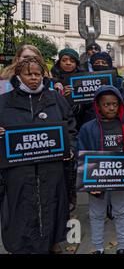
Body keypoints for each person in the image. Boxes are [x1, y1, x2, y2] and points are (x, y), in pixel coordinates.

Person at [0, 56, 77, 254]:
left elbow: (70, 127)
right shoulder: (4, 102)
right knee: (22, 208)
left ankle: (52, 241)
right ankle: (23, 245)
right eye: (29, 74)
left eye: (38, 74)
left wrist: (70, 148)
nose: (34, 78)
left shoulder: (55, 99)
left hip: (51, 168)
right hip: (18, 169)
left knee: (52, 205)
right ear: (18, 75)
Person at [78, 86, 124, 254]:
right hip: (97, 179)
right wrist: (88, 182)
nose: (111, 108)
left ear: (120, 104)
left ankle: (122, 246)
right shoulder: (87, 128)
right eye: (107, 105)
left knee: (121, 211)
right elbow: (82, 156)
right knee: (96, 213)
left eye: (114, 104)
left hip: (122, 178)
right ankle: (98, 247)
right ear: (98, 106)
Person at [51, 48, 85, 211]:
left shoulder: (82, 78)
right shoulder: (51, 80)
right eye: (64, 60)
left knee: (73, 162)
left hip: (77, 124)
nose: (68, 63)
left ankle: (72, 196)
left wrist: (75, 97)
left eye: (71, 60)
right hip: (58, 126)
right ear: (59, 62)